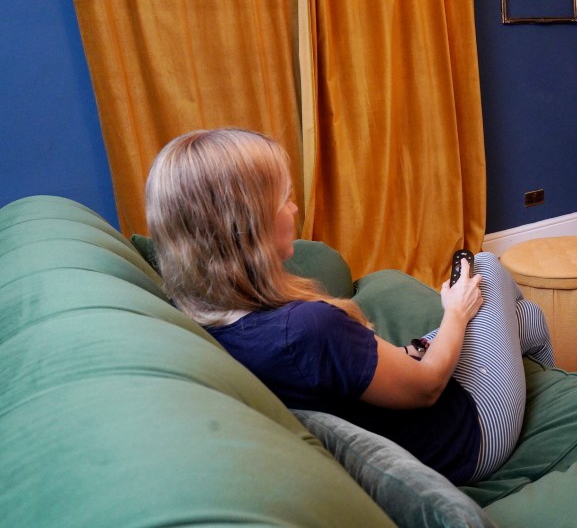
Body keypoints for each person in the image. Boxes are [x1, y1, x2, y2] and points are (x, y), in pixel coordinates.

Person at [144, 128, 555, 485]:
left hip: (412, 415)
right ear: (245, 226)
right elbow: (428, 386)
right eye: (284, 200)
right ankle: (553, 386)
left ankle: (548, 374)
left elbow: (344, 376)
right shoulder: (307, 329)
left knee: (527, 319)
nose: (294, 209)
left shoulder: (207, 317)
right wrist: (455, 312)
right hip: (470, 436)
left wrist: (419, 346)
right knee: (484, 265)